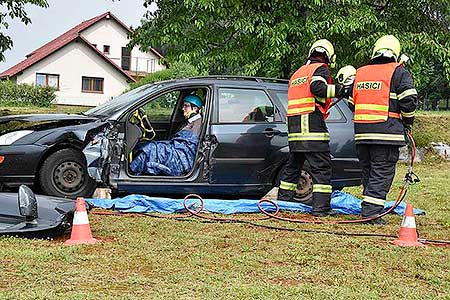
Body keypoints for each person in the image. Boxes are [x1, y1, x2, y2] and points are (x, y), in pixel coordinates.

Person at [347, 35, 418, 224]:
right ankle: (371, 214)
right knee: (381, 172)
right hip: (386, 134)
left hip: (362, 134)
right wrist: (408, 123)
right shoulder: (398, 71)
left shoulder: (360, 73)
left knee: (368, 171)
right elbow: (409, 100)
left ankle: (368, 207)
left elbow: (351, 103)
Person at [277, 39, 348, 216]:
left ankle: (283, 202)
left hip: (295, 129)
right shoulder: (320, 69)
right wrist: (342, 90)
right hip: (311, 128)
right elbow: (317, 88)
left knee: (293, 167)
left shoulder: (298, 73)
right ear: (329, 56)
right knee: (321, 168)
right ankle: (321, 209)